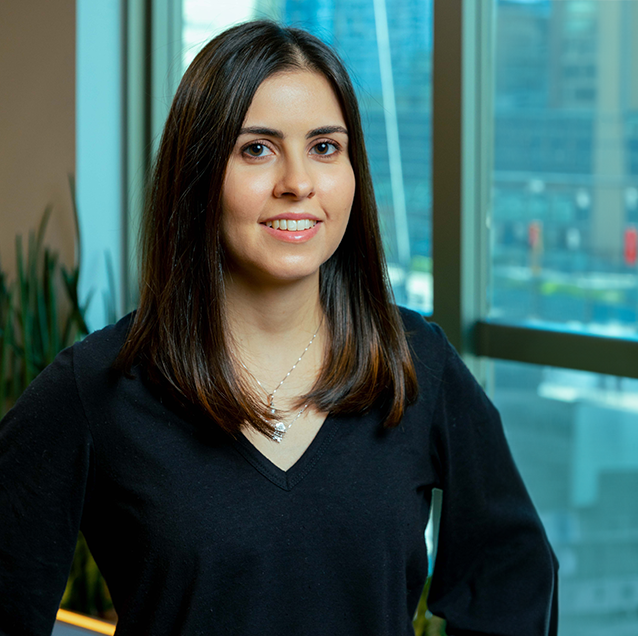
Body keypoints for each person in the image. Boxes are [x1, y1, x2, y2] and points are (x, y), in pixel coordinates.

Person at [0, 20, 557, 635]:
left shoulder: (414, 363)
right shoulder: (99, 387)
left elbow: (514, 576)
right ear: (198, 175)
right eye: (256, 149)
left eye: (325, 147)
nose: (298, 182)